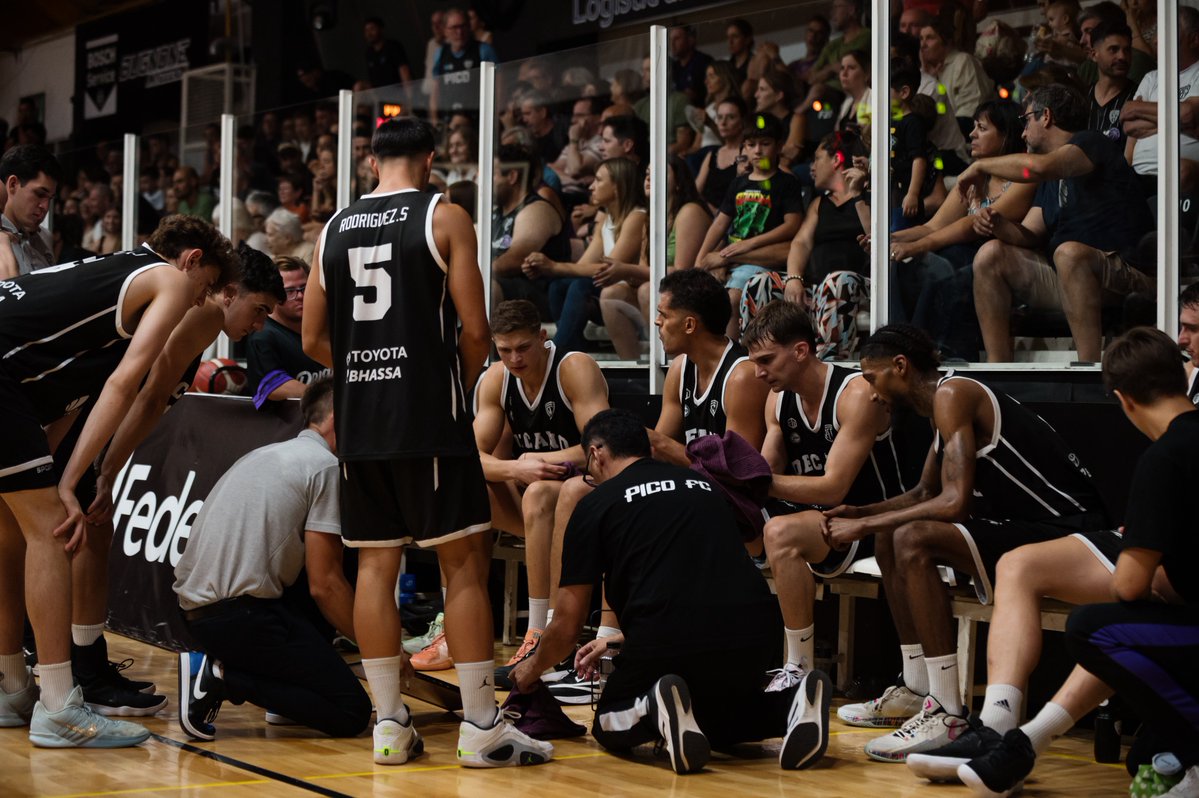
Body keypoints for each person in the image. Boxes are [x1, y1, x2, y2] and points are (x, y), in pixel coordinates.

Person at [301, 116, 552, 768]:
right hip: (427, 419)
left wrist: (363, 369)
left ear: (370, 162)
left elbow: (311, 340)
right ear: (431, 159)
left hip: (359, 425)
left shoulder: (332, 227)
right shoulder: (444, 215)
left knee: (375, 568)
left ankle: (388, 723)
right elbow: (476, 328)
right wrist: (443, 379)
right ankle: (479, 725)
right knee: (462, 562)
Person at [0, 214, 239, 748]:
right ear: (192, 259)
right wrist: (72, 484)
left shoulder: (106, 277)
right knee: (49, 530)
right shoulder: (170, 280)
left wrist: (66, 471)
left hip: (13, 380)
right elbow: (126, 381)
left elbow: (59, 398)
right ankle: (59, 705)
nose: (201, 301)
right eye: (206, 287)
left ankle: (13, 686)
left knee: (10, 532)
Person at [825, 324, 1106, 763]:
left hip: (1070, 531)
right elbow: (923, 493)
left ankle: (947, 711)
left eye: (873, 378)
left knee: (912, 538)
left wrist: (860, 528)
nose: (873, 393)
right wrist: (861, 515)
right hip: (1024, 527)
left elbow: (953, 504)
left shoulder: (953, 394)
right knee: (888, 533)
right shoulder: (944, 402)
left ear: (900, 367)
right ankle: (919, 690)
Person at [510, 409, 834, 774]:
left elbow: (567, 625)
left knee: (607, 724)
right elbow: (694, 582)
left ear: (597, 453)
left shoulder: (595, 503)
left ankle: (652, 706)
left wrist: (529, 670)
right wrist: (619, 639)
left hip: (666, 638)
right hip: (756, 637)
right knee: (714, 724)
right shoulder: (706, 486)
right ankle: (791, 701)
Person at [951, 328, 1199, 797]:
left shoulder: (1164, 458)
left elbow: (1128, 587)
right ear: (1184, 376)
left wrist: (1151, 575)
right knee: (1143, 748)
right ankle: (1018, 740)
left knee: (1095, 628)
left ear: (1123, 400)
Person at [59, 243, 281, 718]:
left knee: (83, 538)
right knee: (85, 535)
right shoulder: (203, 316)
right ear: (229, 293)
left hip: (76, 404)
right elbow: (149, 397)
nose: (259, 324)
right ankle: (82, 668)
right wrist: (107, 468)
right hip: (79, 410)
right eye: (258, 309)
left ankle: (74, 660)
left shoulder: (189, 306)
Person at [173, 377, 372, 741]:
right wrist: (380, 652)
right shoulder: (325, 468)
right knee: (352, 713)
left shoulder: (266, 452)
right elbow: (325, 586)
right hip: (238, 617)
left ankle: (283, 698)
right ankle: (220, 678)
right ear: (338, 420)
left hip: (197, 612)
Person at [744, 301, 904, 695]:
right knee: (720, 516)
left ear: (800, 350)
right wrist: (735, 486)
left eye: (766, 360)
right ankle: (720, 649)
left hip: (870, 520)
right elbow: (764, 472)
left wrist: (755, 483)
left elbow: (834, 487)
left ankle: (798, 668)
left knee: (780, 533)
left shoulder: (856, 394)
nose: (758, 373)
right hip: (817, 520)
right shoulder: (777, 401)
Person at [965, 83, 1154, 363]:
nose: (1023, 131)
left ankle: (1086, 368)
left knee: (1069, 253)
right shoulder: (1050, 177)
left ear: (1047, 116)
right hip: (1070, 275)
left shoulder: (1091, 143)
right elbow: (1029, 233)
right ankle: (997, 368)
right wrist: (997, 224)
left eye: (1026, 120)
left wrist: (980, 165)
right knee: (990, 255)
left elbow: (1037, 168)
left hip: (1127, 273)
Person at [472, 300, 609, 685]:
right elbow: (468, 458)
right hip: (542, 508)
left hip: (592, 495)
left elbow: (602, 448)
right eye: (504, 350)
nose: (514, 358)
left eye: (523, 348)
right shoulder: (496, 379)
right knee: (468, 490)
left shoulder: (573, 367)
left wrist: (539, 461)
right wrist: (516, 467)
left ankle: (540, 632)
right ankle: (455, 623)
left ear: (542, 338)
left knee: (539, 493)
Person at [887, 100, 1035, 361]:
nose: (971, 134)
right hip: (960, 255)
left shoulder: (1025, 177)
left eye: (982, 128)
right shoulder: (972, 178)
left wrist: (918, 246)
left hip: (998, 263)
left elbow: (973, 226)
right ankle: (899, 344)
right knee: (902, 266)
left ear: (1006, 136)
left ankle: (940, 351)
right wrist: (888, 240)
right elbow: (932, 226)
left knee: (939, 266)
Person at [521, 157, 646, 356]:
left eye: (598, 180)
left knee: (580, 286)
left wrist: (554, 266)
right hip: (606, 292)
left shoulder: (637, 216)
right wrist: (546, 267)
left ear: (617, 187)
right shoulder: (606, 218)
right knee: (558, 286)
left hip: (627, 295)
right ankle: (573, 347)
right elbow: (584, 265)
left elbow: (610, 269)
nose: (591, 186)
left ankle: (560, 350)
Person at [694, 114, 804, 340]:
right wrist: (701, 258)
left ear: (779, 146)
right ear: (743, 147)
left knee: (733, 298)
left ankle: (732, 352)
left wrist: (748, 244)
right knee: (701, 296)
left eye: (765, 144)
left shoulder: (786, 182)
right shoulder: (739, 182)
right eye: (751, 144)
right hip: (732, 253)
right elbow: (720, 223)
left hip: (758, 259)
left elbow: (792, 225)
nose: (758, 151)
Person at [491, 144, 572, 316]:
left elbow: (514, 261)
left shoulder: (536, 209)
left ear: (512, 176)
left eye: (493, 174)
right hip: (509, 288)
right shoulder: (495, 213)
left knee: (485, 286)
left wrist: (473, 270)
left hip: (540, 293)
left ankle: (485, 343)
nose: (485, 180)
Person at [245, 256, 330, 401]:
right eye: (289, 291)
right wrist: (327, 397)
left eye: (304, 288)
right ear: (275, 293)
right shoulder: (263, 336)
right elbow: (273, 387)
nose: (300, 296)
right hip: (287, 422)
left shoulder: (323, 326)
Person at [919, 20, 995, 136]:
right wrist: (926, 76)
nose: (923, 45)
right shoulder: (926, 72)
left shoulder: (963, 62)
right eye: (921, 39)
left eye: (930, 38)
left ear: (947, 41)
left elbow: (970, 115)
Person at [430, 7, 498, 121]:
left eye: (463, 26)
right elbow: (435, 91)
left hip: (479, 119)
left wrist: (494, 116)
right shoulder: (440, 53)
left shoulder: (484, 50)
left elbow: (498, 85)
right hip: (449, 120)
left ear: (469, 27)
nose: (459, 32)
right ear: (445, 30)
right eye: (454, 27)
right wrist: (434, 120)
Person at [0, 144, 58, 275]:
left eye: (50, 198)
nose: (45, 207)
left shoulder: (45, 237)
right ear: (13, 184)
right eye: (39, 194)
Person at [694, 95, 748, 214]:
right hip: (705, 215)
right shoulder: (713, 154)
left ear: (742, 121)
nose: (723, 123)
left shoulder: (748, 154)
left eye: (731, 117)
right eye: (719, 117)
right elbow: (695, 191)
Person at [1085, 20, 1136, 146]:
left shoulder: (1138, 96)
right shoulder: (1082, 97)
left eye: (1127, 50)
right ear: (1093, 54)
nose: (1122, 57)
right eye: (1114, 49)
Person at [669, 25, 713, 107]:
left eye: (677, 39)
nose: (672, 44)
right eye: (671, 39)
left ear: (690, 40)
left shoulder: (703, 62)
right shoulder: (673, 66)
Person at [363, 16, 412, 89]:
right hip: (381, 95)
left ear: (381, 29)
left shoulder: (393, 46)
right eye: (366, 30)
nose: (369, 33)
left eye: (372, 29)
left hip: (398, 92)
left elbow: (404, 70)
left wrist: (410, 97)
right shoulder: (369, 53)